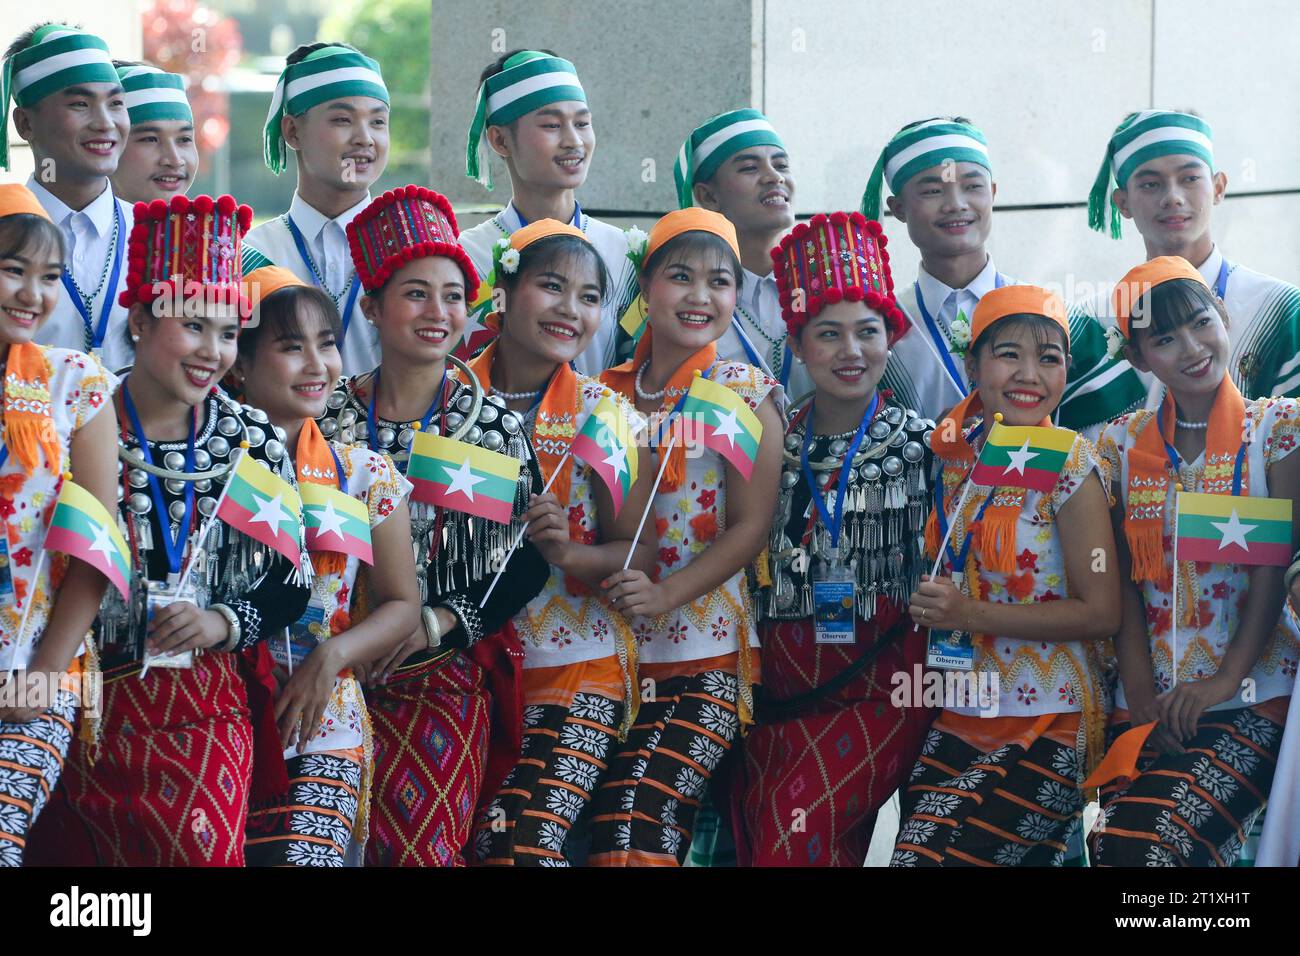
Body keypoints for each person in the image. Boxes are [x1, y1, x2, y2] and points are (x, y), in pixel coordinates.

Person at [25, 194, 311, 866]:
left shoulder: (251, 438)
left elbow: (291, 581)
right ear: (142, 319)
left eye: (228, 332)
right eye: (193, 327)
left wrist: (222, 621)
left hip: (203, 704)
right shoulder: (72, 423)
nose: (214, 352)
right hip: (83, 702)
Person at [319, 185, 550, 866]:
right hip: (329, 674)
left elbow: (523, 561)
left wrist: (438, 621)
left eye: (453, 295)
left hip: (438, 678)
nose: (438, 311)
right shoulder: (325, 417)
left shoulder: (487, 426)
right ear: (370, 307)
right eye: (415, 293)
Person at [891, 285, 1119, 867]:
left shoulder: (1070, 461)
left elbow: (1102, 611)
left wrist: (969, 614)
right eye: (1008, 354)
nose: (1030, 374)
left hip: (1053, 712)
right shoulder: (957, 458)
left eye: (1049, 358)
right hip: (964, 706)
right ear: (973, 365)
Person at [735, 210, 936, 866]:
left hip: (879, 683)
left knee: (795, 832)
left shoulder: (928, 446)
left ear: (890, 337)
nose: (851, 352)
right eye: (828, 334)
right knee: (770, 838)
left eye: (867, 332)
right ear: (797, 344)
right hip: (777, 691)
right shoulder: (770, 442)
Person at [1088, 257, 1300, 866]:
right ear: (1136, 358)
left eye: (1202, 322)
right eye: (1164, 339)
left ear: (1225, 317)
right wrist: (1138, 693)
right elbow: (1122, 583)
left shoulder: (1277, 431)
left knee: (1156, 850)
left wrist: (1224, 681)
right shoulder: (1117, 447)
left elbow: (1271, 569)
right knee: (1113, 852)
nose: (1191, 347)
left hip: (1254, 691)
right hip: (1152, 699)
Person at [593, 207, 783, 866]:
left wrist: (667, 592)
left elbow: (751, 525)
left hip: (707, 655)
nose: (700, 296)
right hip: (610, 657)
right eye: (680, 276)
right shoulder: (604, 396)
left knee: (638, 817)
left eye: (720, 281)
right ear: (645, 287)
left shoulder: (740, 389)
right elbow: (605, 518)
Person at [463, 219, 655, 866]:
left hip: (574, 666)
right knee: (477, 846)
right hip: (463, 662)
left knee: (528, 848)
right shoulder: (452, 397)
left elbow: (642, 552)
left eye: (590, 296)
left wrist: (569, 553)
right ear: (505, 289)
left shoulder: (606, 415)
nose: (570, 309)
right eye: (551, 287)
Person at [232, 266, 420, 866]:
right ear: (238, 363)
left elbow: (401, 605)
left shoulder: (365, 473)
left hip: (325, 716)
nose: (318, 364)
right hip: (230, 708)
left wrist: (332, 657)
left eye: (328, 343)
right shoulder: (209, 465)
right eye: (291, 347)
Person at [862, 116, 1145, 430]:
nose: (956, 204)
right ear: (898, 208)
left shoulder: (1055, 316)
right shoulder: (881, 330)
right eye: (932, 191)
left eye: (972, 187)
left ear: (992, 193)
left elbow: (1113, 441)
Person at [0, 183, 119, 865]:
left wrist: (45, 670)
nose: (32, 293)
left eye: (49, 277)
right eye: (14, 269)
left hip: (36, 668)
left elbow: (96, 547)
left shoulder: (73, 382)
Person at [1084, 109, 1300, 404]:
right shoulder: (1092, 320)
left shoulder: (1281, 310)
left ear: (1218, 188)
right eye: (1150, 184)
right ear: (1122, 203)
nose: (1172, 197)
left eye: (1190, 178)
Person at [457, 49, 636, 372]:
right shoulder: (466, 256)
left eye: (582, 123)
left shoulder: (626, 254)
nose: (573, 141)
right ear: (500, 141)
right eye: (552, 125)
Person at [243, 42, 390, 376]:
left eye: (378, 122)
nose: (365, 138)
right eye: (342, 119)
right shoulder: (252, 254)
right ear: (293, 131)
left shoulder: (411, 248)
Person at [2, 23, 134, 370]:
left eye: (116, 103)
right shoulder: (4, 232)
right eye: (80, 104)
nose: (105, 123)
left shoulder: (162, 236)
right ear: (25, 124)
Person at [670, 108, 808, 400]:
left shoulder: (821, 281)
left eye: (781, 165)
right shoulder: (685, 297)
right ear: (708, 196)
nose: (774, 177)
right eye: (749, 168)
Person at [109, 63, 198, 205]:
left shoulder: (212, 225)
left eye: (184, 139)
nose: (175, 160)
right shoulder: (68, 225)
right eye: (151, 139)